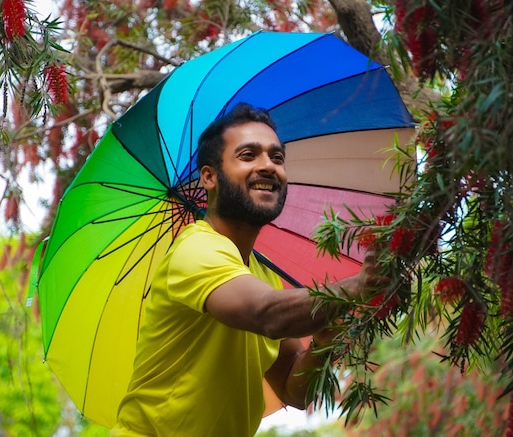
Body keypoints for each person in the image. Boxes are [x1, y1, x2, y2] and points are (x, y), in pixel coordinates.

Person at [111, 103, 386, 437]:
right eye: (248, 155)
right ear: (209, 177)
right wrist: (356, 288)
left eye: (277, 157)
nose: (268, 166)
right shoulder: (196, 250)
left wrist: (329, 330)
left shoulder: (260, 273)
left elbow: (293, 389)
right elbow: (266, 314)